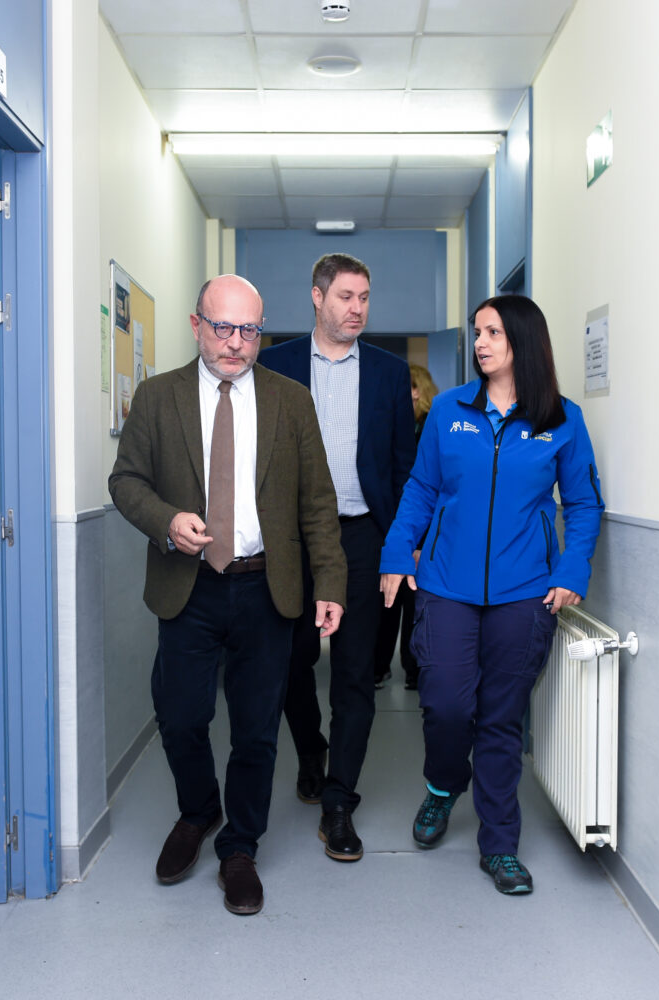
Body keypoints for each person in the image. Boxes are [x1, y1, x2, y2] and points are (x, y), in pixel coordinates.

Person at [108, 274, 347, 916]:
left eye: (249, 330)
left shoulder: (290, 401)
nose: (236, 343)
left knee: (256, 731)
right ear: (196, 326)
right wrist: (167, 521)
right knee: (180, 716)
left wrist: (330, 584)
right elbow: (125, 481)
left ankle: (239, 846)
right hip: (188, 587)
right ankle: (198, 810)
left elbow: (317, 502)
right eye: (223, 327)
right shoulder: (158, 398)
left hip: (266, 588)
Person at [378, 294, 604, 895]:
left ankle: (500, 845)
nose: (480, 343)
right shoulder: (450, 408)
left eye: (493, 333)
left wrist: (571, 569)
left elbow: (583, 503)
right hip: (447, 585)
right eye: (478, 332)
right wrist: (398, 554)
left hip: (524, 590)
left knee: (501, 719)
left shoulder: (561, 419)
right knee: (446, 706)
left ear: (523, 341)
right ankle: (442, 785)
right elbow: (421, 488)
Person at [257, 253, 416, 863]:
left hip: (362, 538)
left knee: (354, 672)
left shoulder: (388, 372)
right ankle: (310, 750)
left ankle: (339, 800)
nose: (357, 309)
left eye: (365, 298)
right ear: (317, 297)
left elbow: (403, 468)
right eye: (346, 296)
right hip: (290, 539)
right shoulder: (274, 366)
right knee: (290, 661)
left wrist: (401, 545)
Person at [373, 364, 438, 691]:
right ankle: (379, 667)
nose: (408, 393)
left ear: (422, 390)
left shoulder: (432, 426)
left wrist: (420, 543)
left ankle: (413, 670)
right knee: (386, 602)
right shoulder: (393, 424)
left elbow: (428, 491)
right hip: (392, 527)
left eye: (413, 386)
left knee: (414, 605)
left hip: (421, 535)